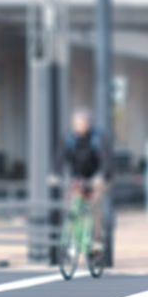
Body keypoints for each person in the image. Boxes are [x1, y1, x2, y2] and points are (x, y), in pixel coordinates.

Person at [58, 108, 106, 252]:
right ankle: (74, 241)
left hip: (95, 177)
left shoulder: (97, 138)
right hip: (77, 178)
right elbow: (60, 157)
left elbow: (105, 160)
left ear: (88, 124)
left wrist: (101, 176)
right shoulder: (70, 139)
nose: (79, 126)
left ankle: (97, 240)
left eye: (82, 123)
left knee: (93, 206)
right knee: (74, 207)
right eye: (77, 123)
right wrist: (55, 174)